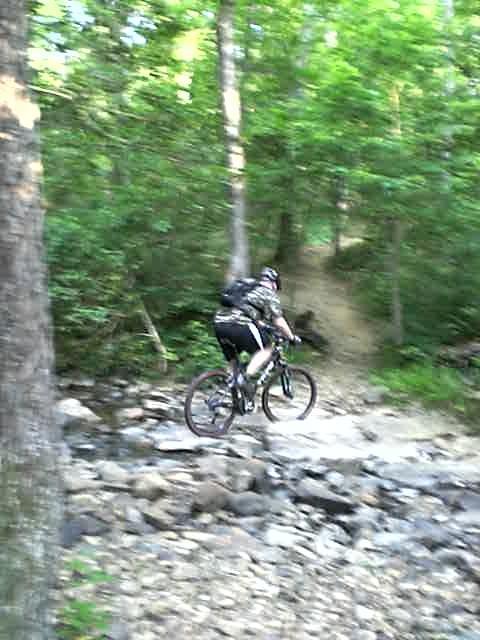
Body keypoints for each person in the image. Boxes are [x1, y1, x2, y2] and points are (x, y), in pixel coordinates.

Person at [214, 267, 300, 405]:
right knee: (267, 349)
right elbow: (279, 320)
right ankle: (244, 379)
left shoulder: (247, 290)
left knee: (234, 364)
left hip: (219, 324)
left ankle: (233, 398)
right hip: (238, 324)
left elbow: (253, 316)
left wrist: (265, 327)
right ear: (274, 283)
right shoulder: (267, 293)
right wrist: (291, 337)